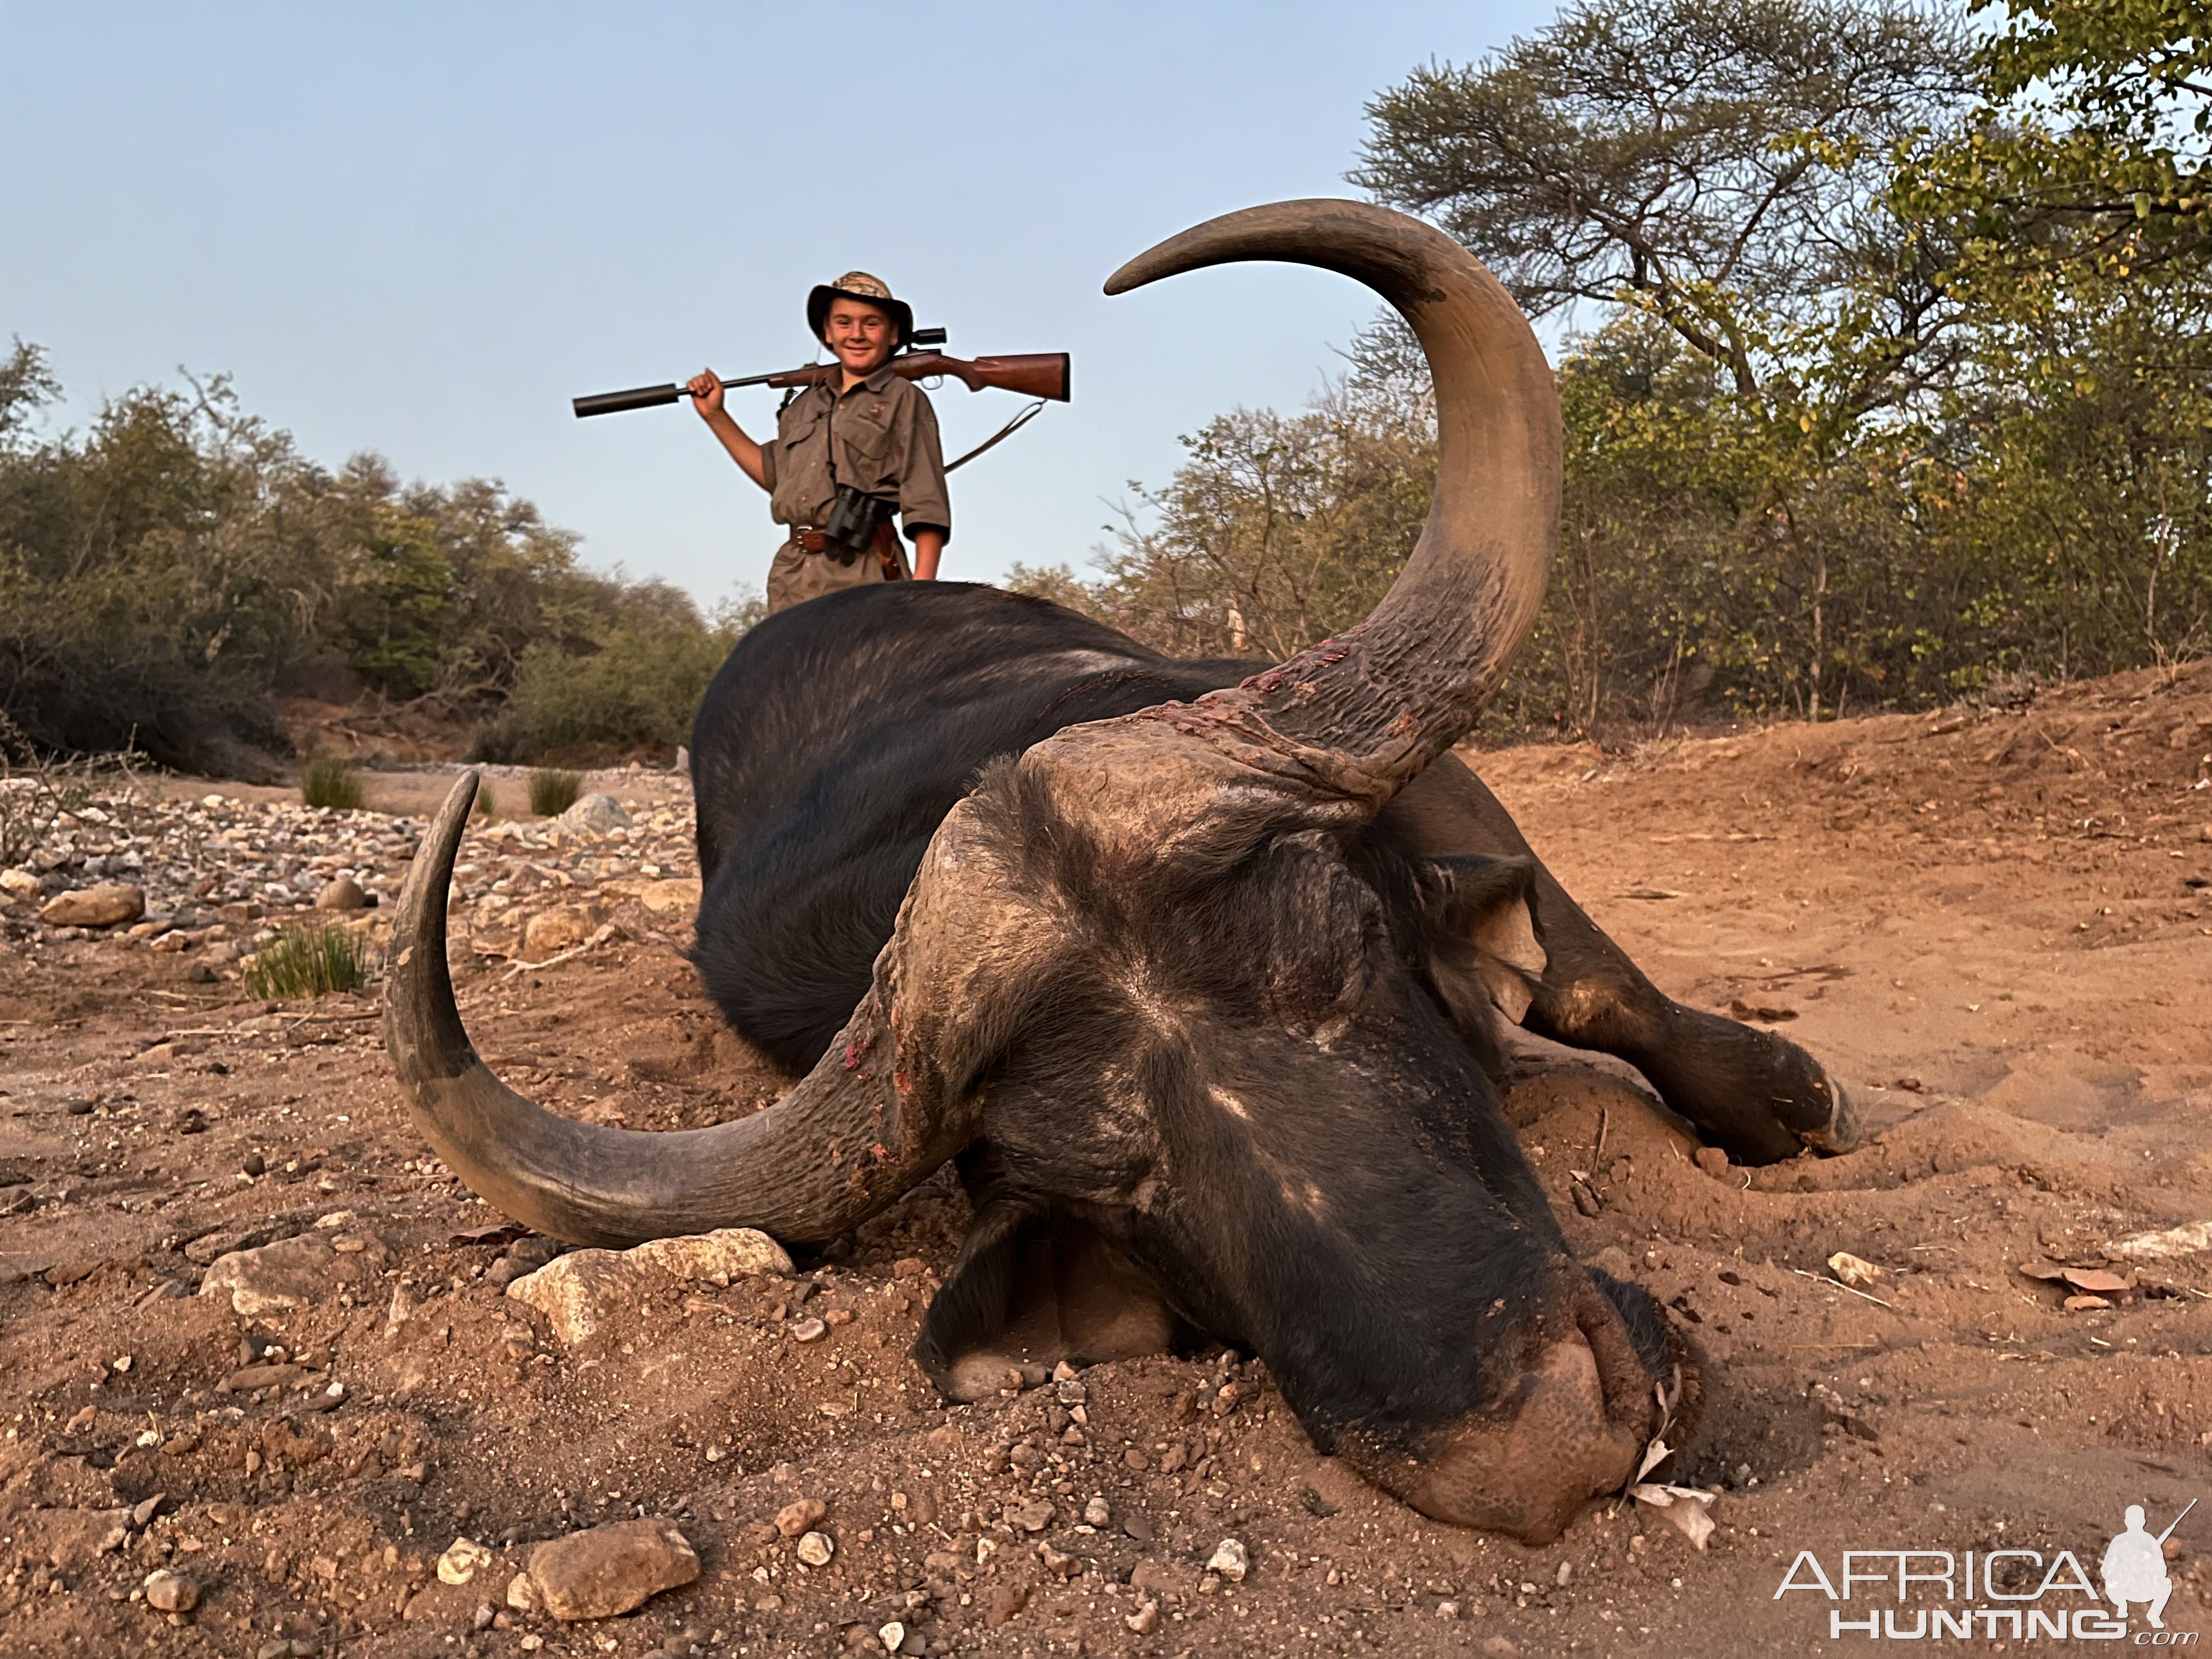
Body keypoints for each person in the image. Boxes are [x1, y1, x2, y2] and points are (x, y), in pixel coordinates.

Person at [686, 272, 951, 613]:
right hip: (793, 576)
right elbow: (776, 477)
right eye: (844, 322)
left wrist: (921, 594)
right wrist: (715, 415)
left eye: (871, 323)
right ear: (828, 332)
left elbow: (926, 503)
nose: (856, 334)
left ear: (893, 334)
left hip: (865, 575)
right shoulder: (803, 405)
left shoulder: (904, 399)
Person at [2102, 1504, 2174, 1628]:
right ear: (2126, 1522)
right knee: (2109, 1583)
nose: (2135, 1523)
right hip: (2123, 1589)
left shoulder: (2151, 1543)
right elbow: (2106, 1570)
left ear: (2143, 1522)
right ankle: (2122, 1606)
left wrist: (2148, 1564)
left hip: (2144, 1589)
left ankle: (2154, 1614)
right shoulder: (2119, 1542)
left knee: (2167, 1583)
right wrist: (2124, 1569)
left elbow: (2162, 1571)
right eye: (2133, 1520)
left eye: (2137, 1520)